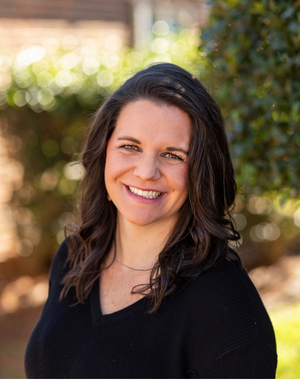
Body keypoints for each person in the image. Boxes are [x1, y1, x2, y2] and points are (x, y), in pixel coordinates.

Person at [24, 63, 277, 378]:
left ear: (201, 171)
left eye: (173, 155)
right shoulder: (75, 256)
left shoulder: (226, 310)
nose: (146, 172)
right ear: (103, 152)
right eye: (130, 146)